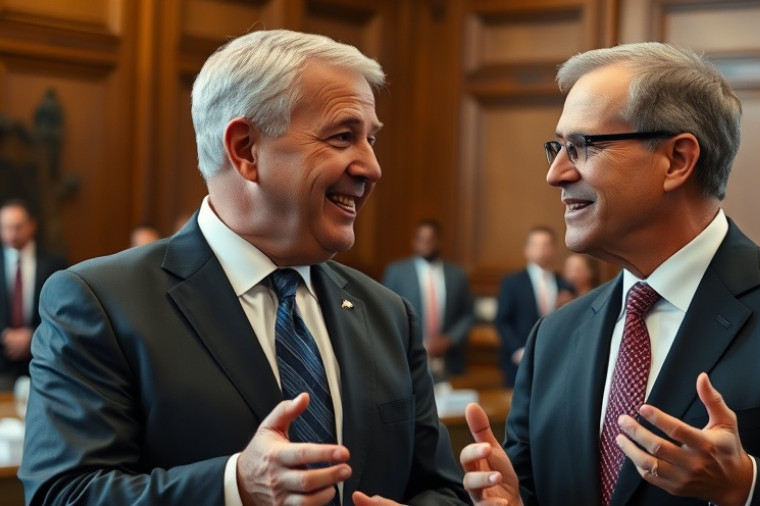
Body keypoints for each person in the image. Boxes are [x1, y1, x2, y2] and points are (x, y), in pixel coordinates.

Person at [20, 30, 467, 506]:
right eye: (343, 137)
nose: (372, 166)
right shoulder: (100, 303)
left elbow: (439, 489)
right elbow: (62, 495)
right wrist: (235, 486)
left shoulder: (388, 314)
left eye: (371, 140)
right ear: (246, 149)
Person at [460, 42, 760, 505]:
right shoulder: (555, 335)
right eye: (557, 147)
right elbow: (533, 487)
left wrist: (745, 487)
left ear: (677, 160)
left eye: (581, 146)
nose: (556, 173)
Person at [382, 220, 475, 379]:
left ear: (439, 241)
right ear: (414, 241)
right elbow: (385, 312)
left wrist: (449, 340)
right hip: (407, 357)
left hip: (449, 360)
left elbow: (468, 314)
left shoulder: (457, 275)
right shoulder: (397, 273)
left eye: (430, 239)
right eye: (421, 239)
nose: (425, 243)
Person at [0, 199, 66, 390]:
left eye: (18, 227)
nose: (12, 234)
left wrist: (33, 335)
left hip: (43, 361)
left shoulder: (55, 263)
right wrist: (5, 334)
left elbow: (62, 309)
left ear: (31, 226)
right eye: (6, 227)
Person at [494, 226, 572, 387]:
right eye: (536, 245)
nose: (541, 250)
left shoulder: (564, 284)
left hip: (555, 361)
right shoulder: (513, 282)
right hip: (519, 360)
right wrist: (517, 350)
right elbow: (502, 320)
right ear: (527, 249)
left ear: (554, 249)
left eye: (546, 245)